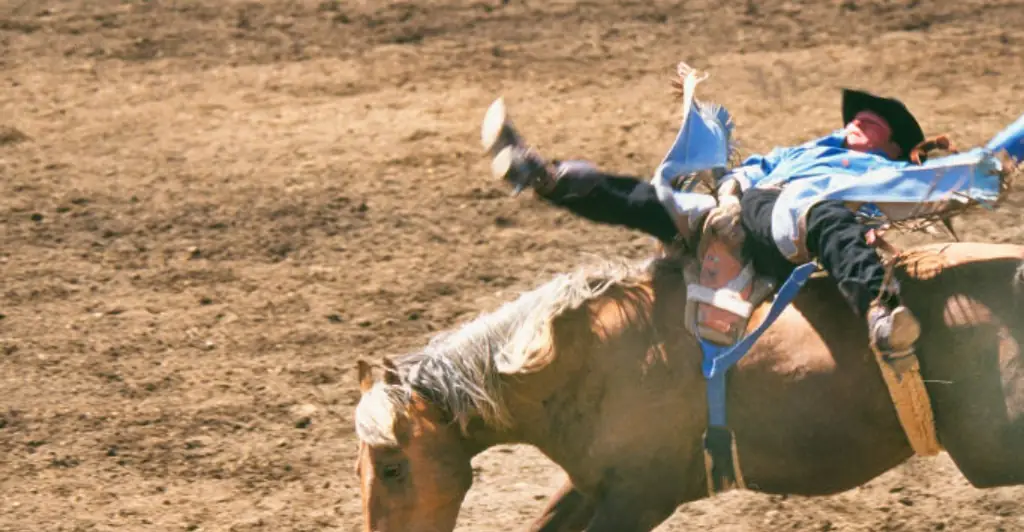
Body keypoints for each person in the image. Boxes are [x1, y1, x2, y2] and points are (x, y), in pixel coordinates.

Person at [480, 86, 945, 359]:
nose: (861, 120)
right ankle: (542, 176)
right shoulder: (803, 153)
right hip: (747, 207)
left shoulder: (891, 174)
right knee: (652, 201)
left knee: (820, 216)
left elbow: (951, 179)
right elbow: (751, 171)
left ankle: (880, 310)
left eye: (875, 124)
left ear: (893, 147)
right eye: (860, 117)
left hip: (792, 223)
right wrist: (728, 196)